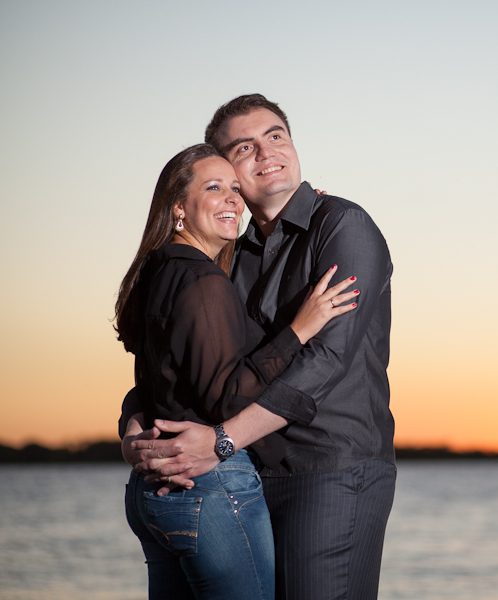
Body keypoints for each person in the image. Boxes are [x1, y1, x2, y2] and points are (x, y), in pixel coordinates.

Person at [123, 94, 396, 600]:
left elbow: (327, 358)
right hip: (249, 471)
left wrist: (222, 440)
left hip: (331, 470)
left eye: (276, 135)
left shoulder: (342, 226)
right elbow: (184, 360)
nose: (267, 151)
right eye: (244, 147)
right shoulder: (230, 255)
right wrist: (136, 429)